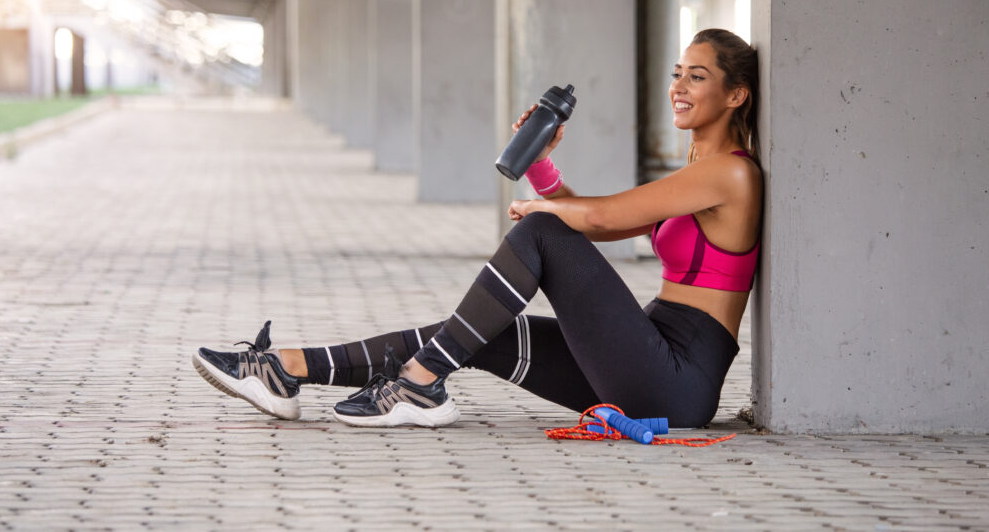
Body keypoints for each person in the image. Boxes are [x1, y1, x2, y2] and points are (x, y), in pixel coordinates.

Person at [192, 28, 761, 429]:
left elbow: (602, 216)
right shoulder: (693, 172)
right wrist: (541, 165)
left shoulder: (730, 174)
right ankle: (287, 369)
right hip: (649, 352)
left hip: (678, 379)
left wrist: (544, 219)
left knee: (541, 234)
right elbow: (600, 226)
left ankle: (415, 385)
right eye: (677, 73)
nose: (679, 86)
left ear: (735, 95)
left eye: (698, 77)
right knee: (490, 333)